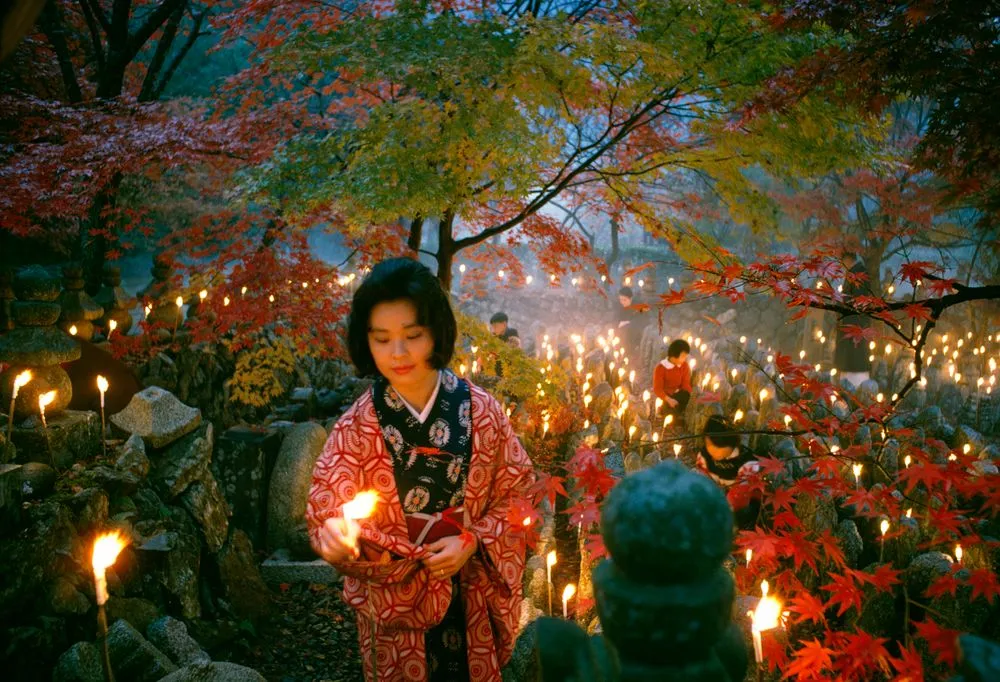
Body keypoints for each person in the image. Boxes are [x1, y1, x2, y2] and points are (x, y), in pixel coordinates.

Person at [306, 258, 534, 682]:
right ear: (365, 341)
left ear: (435, 332)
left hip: (468, 593)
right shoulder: (357, 426)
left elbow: (518, 494)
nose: (398, 353)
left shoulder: (482, 412)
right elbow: (326, 508)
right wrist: (334, 536)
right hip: (395, 600)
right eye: (382, 339)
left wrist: (472, 540)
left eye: (412, 335)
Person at [694, 415, 761, 529]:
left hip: (740, 506)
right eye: (709, 445)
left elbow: (739, 499)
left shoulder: (747, 462)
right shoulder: (705, 455)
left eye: (718, 448)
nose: (713, 451)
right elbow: (702, 478)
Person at [834, 253, 872, 388]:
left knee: (854, 353)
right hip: (854, 320)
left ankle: (852, 384)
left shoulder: (857, 273)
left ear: (848, 259)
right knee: (853, 353)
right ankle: (850, 381)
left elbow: (857, 300)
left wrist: (840, 301)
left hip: (854, 321)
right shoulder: (857, 272)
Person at [652, 339, 692, 426]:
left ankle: (679, 415)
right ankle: (672, 416)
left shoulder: (684, 365)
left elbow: (686, 383)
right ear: (674, 356)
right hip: (666, 396)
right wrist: (669, 400)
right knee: (669, 411)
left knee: (686, 397)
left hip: (678, 394)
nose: (685, 359)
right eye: (683, 356)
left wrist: (689, 395)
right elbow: (657, 389)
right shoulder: (661, 368)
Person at [615, 286, 644, 362]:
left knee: (627, 330)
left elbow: (642, 319)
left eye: (624, 300)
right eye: (620, 300)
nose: (622, 302)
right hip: (622, 331)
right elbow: (616, 318)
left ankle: (627, 354)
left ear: (630, 299)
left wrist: (628, 323)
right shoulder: (620, 306)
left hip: (635, 333)